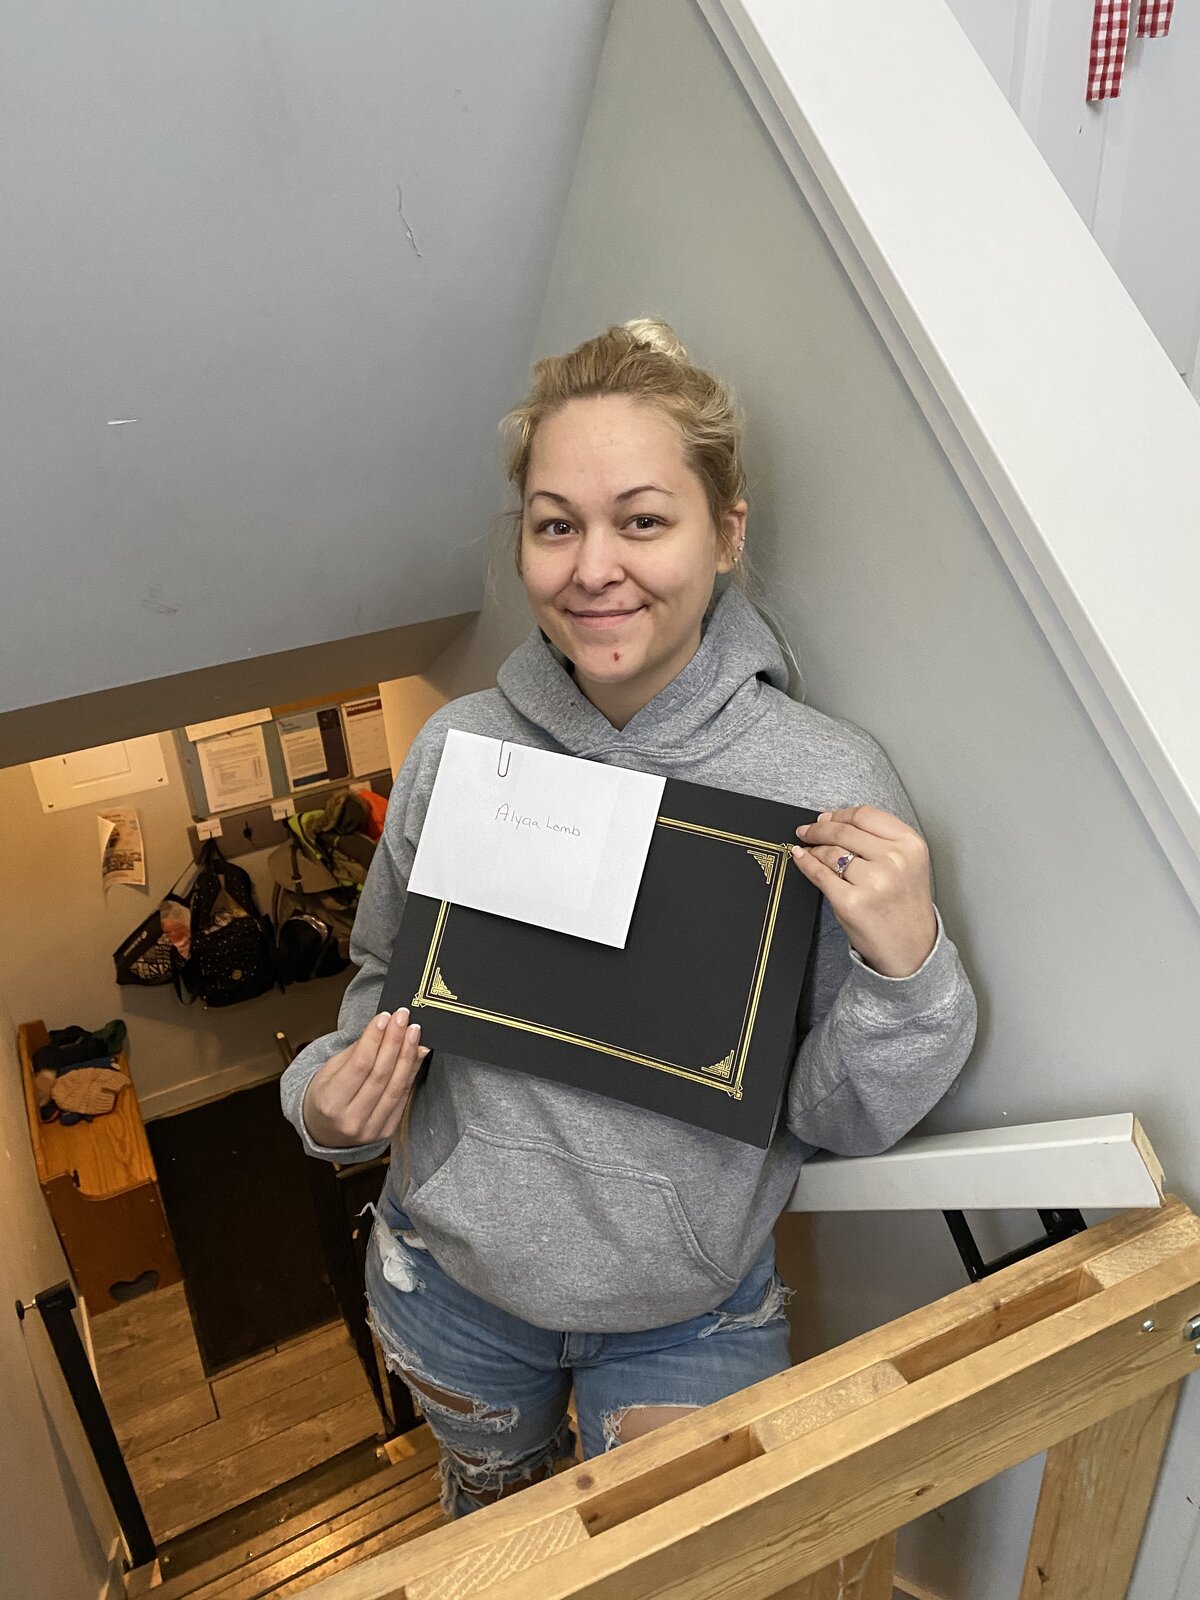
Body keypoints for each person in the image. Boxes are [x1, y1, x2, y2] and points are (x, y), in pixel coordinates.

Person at [280, 320, 976, 1518]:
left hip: (689, 1317)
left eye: (643, 521)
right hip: (447, 1291)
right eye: (556, 525)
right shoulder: (457, 749)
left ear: (727, 532)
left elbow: (835, 1114)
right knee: (493, 1510)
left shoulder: (826, 781)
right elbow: (384, 988)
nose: (593, 567)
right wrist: (325, 1104)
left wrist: (908, 972)